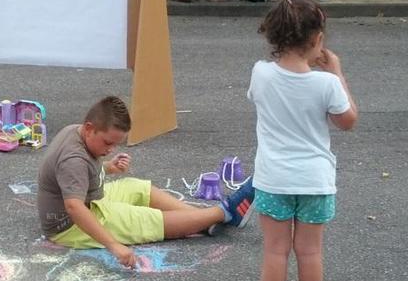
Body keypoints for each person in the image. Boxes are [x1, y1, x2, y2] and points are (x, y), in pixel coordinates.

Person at [226, 0, 358, 281]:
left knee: (275, 251)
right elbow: (348, 121)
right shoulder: (326, 84)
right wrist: (337, 73)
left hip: (274, 179)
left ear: (275, 38)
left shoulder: (262, 73)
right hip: (315, 181)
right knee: (311, 252)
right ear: (317, 40)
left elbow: (261, 96)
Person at [37, 96, 253, 269]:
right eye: (108, 143)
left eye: (115, 144)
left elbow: (79, 177)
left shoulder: (76, 132)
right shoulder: (73, 159)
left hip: (88, 200)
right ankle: (224, 213)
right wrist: (114, 245)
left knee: (136, 187)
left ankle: (200, 220)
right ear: (89, 127)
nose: (111, 149)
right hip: (70, 225)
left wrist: (108, 167)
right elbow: (74, 207)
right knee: (146, 220)